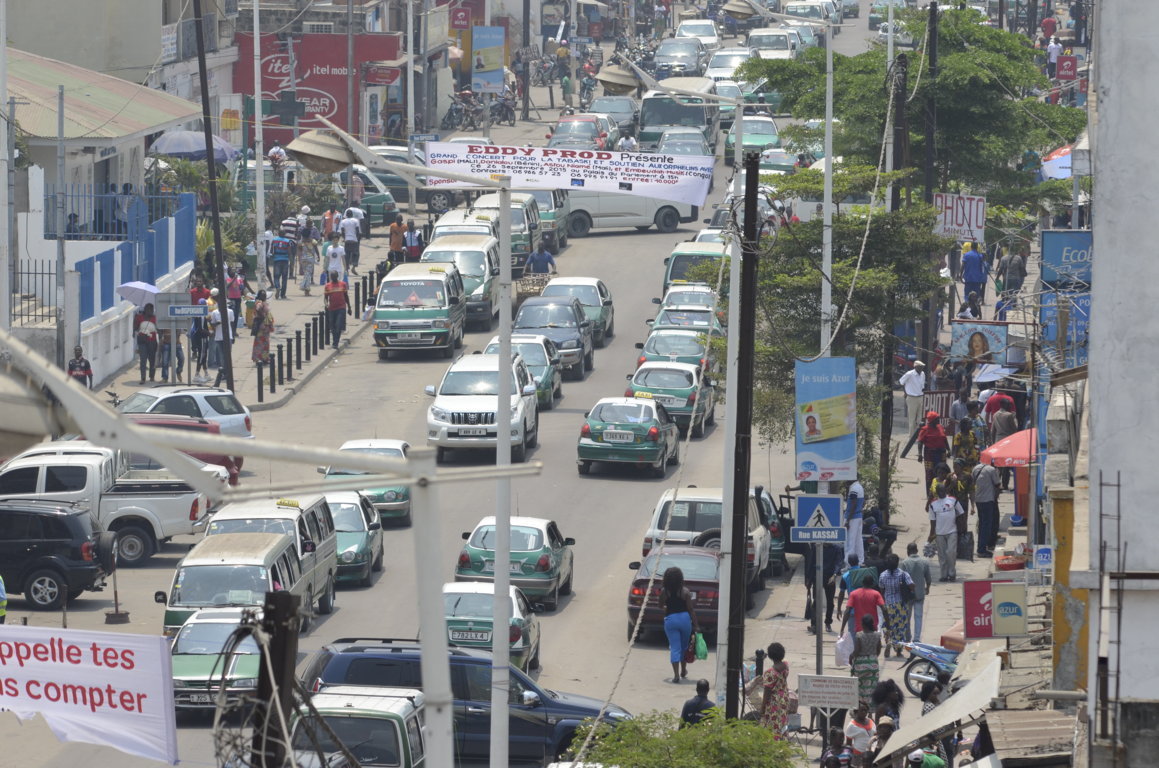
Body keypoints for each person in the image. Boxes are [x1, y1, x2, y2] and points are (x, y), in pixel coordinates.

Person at [661, 565, 700, 683]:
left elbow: (660, 605)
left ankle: (676, 675)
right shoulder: (685, 591)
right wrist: (696, 625)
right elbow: (691, 610)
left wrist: (666, 608)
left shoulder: (664, 592)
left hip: (671, 620)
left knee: (675, 648)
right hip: (685, 619)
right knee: (684, 646)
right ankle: (684, 670)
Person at [877, 554, 914, 658]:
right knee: (900, 628)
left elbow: (881, 589)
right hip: (900, 605)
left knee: (888, 626)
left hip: (888, 605)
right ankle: (898, 650)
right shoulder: (903, 574)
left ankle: (888, 641)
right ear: (898, 563)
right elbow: (911, 585)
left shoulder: (883, 575)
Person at [928, 483, 964, 582]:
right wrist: (931, 534)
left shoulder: (953, 500)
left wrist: (962, 528)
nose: (942, 493)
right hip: (939, 533)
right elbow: (932, 520)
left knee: (951, 553)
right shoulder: (933, 504)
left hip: (952, 531)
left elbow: (961, 513)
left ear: (945, 491)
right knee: (942, 555)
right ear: (937, 492)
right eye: (940, 491)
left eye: (943, 490)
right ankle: (944, 575)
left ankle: (952, 573)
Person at [804, 542, 843, 633]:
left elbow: (839, 563)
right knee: (816, 602)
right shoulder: (816, 547)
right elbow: (811, 562)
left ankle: (828, 622)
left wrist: (834, 575)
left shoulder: (836, 548)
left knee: (830, 602)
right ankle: (814, 624)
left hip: (830, 578)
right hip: (817, 577)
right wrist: (808, 579)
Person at [900, 542, 932, 643]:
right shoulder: (924, 562)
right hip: (920, 593)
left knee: (907, 617)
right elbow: (928, 578)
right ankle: (917, 638)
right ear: (917, 550)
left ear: (908, 551)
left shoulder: (904, 563)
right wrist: (928, 588)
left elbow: (901, 579)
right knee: (918, 616)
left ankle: (907, 637)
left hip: (908, 595)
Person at [758, 642, 790, 737]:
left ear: (770, 656)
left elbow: (767, 692)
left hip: (774, 702)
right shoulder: (785, 665)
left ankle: (773, 744)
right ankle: (783, 741)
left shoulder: (770, 673)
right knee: (782, 722)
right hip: (784, 698)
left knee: (772, 724)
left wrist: (762, 707)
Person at [972, 459, 1001, 557]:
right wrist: (995, 499)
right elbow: (997, 485)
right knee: (986, 525)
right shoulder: (991, 470)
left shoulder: (976, 468)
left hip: (978, 499)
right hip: (988, 500)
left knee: (981, 524)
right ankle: (982, 549)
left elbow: (973, 483)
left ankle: (981, 546)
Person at [916, 411, 950, 487]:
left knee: (942, 471)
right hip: (930, 454)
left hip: (941, 453)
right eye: (937, 419)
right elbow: (920, 442)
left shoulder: (940, 427)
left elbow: (944, 439)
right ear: (932, 420)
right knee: (929, 473)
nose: (938, 420)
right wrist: (920, 454)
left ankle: (941, 491)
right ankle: (930, 494)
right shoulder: (925, 429)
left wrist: (949, 449)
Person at [323, 271, 352, 349]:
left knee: (338, 325)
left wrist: (349, 307)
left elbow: (346, 296)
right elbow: (325, 298)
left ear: (337, 276)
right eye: (332, 277)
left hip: (341, 308)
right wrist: (326, 305)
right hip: (332, 309)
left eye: (335, 277)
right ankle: (335, 339)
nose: (334, 278)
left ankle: (335, 342)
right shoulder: (327, 286)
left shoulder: (343, 284)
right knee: (332, 326)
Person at [210, 302, 236, 388]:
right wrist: (217, 323)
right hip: (219, 337)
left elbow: (232, 324)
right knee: (222, 356)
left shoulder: (230, 312)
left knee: (227, 355)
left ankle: (228, 373)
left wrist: (233, 335)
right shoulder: (215, 313)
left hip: (228, 336)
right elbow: (212, 324)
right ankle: (224, 373)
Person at [899, 361, 927, 438]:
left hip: (920, 397)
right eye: (920, 367)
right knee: (912, 419)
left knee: (920, 419)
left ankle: (919, 436)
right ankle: (911, 436)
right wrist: (905, 393)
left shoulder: (923, 374)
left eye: (922, 367)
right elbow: (901, 382)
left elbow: (922, 386)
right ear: (915, 367)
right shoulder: (909, 374)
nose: (921, 368)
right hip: (912, 398)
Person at [135, 303, 159, 384]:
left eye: (152, 310)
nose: (151, 311)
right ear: (145, 310)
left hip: (152, 341)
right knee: (143, 359)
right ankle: (143, 378)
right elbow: (135, 328)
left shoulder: (155, 318)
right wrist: (135, 319)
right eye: (150, 310)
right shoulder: (139, 317)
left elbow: (158, 329)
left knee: (152, 359)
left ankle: (152, 376)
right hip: (142, 341)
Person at [844, 478, 866, 565]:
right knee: (858, 541)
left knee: (850, 541)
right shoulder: (859, 486)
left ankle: (848, 564)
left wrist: (848, 520)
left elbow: (853, 504)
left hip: (852, 518)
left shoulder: (853, 488)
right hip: (858, 516)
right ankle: (860, 561)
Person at [251, 290, 274, 369]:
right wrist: (262, 315)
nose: (264, 296)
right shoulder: (259, 302)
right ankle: (258, 359)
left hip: (266, 326)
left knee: (265, 343)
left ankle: (265, 358)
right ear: (259, 296)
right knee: (259, 343)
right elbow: (258, 309)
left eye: (265, 295)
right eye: (262, 295)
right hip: (261, 326)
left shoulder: (263, 302)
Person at [190, 299, 211, 384]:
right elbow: (200, 329)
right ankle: (196, 375)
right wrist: (209, 333)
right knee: (201, 356)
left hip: (203, 338)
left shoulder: (203, 315)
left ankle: (206, 373)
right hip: (200, 338)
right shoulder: (199, 316)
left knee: (204, 356)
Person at [268, 231, 293, 300]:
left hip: (277, 260)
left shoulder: (274, 240)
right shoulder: (288, 241)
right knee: (284, 278)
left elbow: (271, 250)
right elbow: (289, 252)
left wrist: (272, 256)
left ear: (278, 234)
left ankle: (277, 287)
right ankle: (283, 295)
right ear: (284, 234)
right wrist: (291, 261)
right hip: (285, 260)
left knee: (276, 276)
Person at [299, 219, 319, 295]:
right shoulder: (313, 241)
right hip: (310, 258)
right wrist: (318, 255)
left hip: (303, 258)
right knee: (308, 274)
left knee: (306, 273)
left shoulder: (301, 242)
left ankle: (306, 290)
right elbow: (316, 248)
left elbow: (300, 250)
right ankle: (305, 288)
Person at [339, 209, 362, 274]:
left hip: (347, 241)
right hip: (354, 240)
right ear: (352, 215)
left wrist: (345, 238)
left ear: (346, 215)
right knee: (356, 254)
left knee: (347, 255)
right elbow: (357, 231)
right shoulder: (355, 220)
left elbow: (342, 231)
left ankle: (346, 269)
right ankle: (353, 267)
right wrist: (357, 238)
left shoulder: (343, 221)